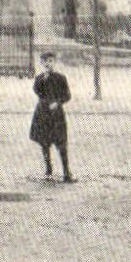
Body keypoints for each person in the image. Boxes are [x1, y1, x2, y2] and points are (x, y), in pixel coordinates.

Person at [30, 50, 75, 182]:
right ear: (41, 63)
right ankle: (48, 170)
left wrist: (58, 102)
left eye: (51, 61)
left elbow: (67, 96)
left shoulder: (61, 78)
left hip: (56, 115)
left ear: (54, 62)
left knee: (61, 142)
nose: (48, 64)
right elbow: (37, 92)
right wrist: (43, 80)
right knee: (44, 142)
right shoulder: (39, 78)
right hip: (43, 113)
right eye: (45, 61)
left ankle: (67, 172)